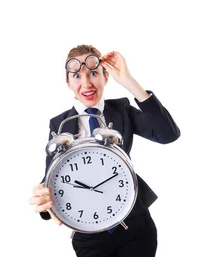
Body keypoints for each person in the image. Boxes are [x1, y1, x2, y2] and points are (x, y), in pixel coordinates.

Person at [29, 45, 180, 257]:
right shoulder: (59, 124)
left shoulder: (122, 110)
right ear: (68, 82)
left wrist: (129, 82)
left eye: (93, 73)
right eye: (77, 76)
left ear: (105, 77)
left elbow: (167, 134)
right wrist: (42, 197)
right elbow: (53, 175)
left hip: (135, 224)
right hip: (88, 234)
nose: (86, 83)